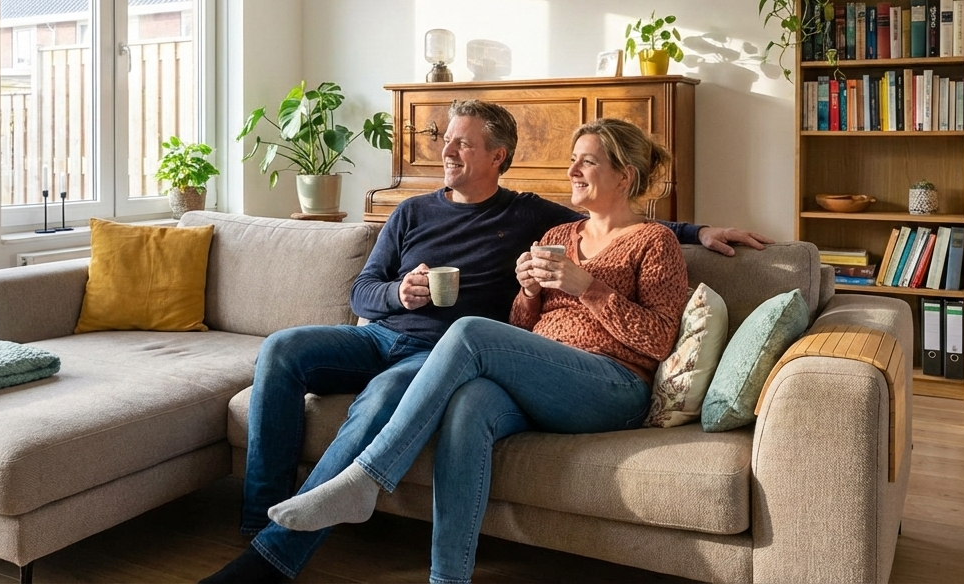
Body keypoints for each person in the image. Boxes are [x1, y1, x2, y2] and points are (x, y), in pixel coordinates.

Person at [202, 101, 771, 584]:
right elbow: (523, 328)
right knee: (467, 407)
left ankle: (367, 478)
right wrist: (525, 293)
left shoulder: (650, 242)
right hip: (515, 369)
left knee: (468, 331)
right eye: (572, 160)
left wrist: (595, 284)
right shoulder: (557, 234)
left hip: (610, 382)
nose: (572, 170)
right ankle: (445, 577)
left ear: (624, 175)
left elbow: (655, 341)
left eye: (586, 161)